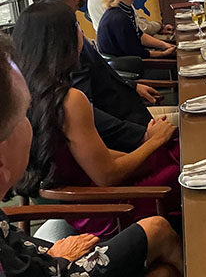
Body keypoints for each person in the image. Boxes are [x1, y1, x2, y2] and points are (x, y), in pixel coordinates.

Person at [0, 34, 184, 277]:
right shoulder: (66, 100)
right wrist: (57, 259)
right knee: (157, 229)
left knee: (161, 271)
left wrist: (52, 255)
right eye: (24, 114)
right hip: (69, 259)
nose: (31, 123)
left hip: (52, 255)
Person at [14, 0, 181, 238]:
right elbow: (106, 175)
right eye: (78, 27)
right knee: (186, 168)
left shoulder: (26, 95)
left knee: (174, 153)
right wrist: (154, 141)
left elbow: (94, 156)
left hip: (81, 206)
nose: (82, 33)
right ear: (66, 39)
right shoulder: (70, 100)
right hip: (108, 209)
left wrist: (149, 152)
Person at [29, 0, 159, 142]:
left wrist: (133, 86)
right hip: (130, 132)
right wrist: (145, 136)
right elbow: (86, 112)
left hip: (130, 115)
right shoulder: (66, 40)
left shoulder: (40, 35)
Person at [97, 0, 176, 60]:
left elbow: (139, 35)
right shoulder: (118, 18)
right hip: (128, 67)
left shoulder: (125, 9)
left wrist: (165, 45)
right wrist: (163, 54)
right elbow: (136, 53)